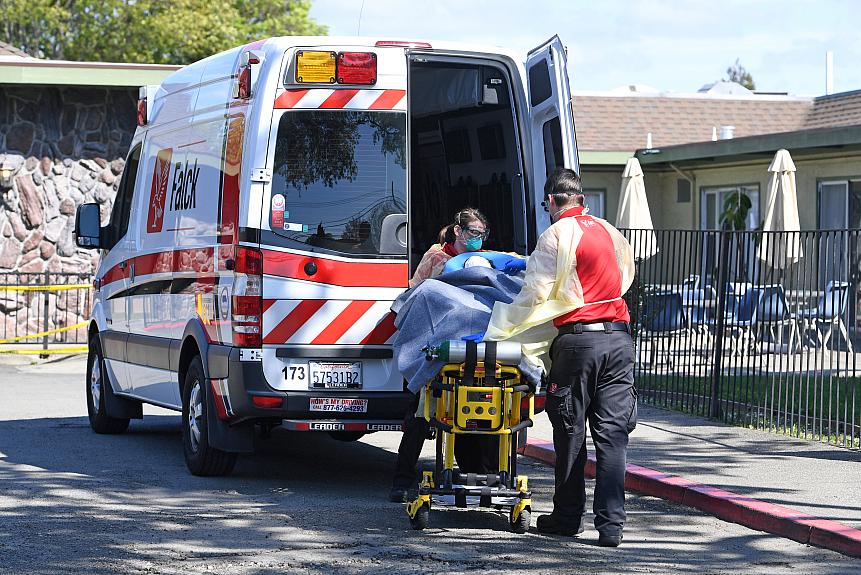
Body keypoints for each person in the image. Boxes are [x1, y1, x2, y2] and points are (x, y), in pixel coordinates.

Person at [484, 168, 636, 547]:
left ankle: (568, 518)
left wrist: (506, 325)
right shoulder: (609, 230)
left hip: (578, 343)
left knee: (569, 432)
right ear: (581, 198)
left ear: (551, 201)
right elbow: (624, 275)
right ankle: (611, 526)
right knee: (613, 438)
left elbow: (536, 295)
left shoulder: (555, 234)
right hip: (619, 341)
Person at [390, 207, 498, 503]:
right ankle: (402, 478)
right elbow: (418, 296)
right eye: (473, 233)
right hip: (436, 342)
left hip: (470, 345)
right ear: (458, 231)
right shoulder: (437, 257)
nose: (478, 238)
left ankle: (478, 473)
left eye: (482, 234)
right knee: (420, 414)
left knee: (476, 411)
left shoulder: (482, 261)